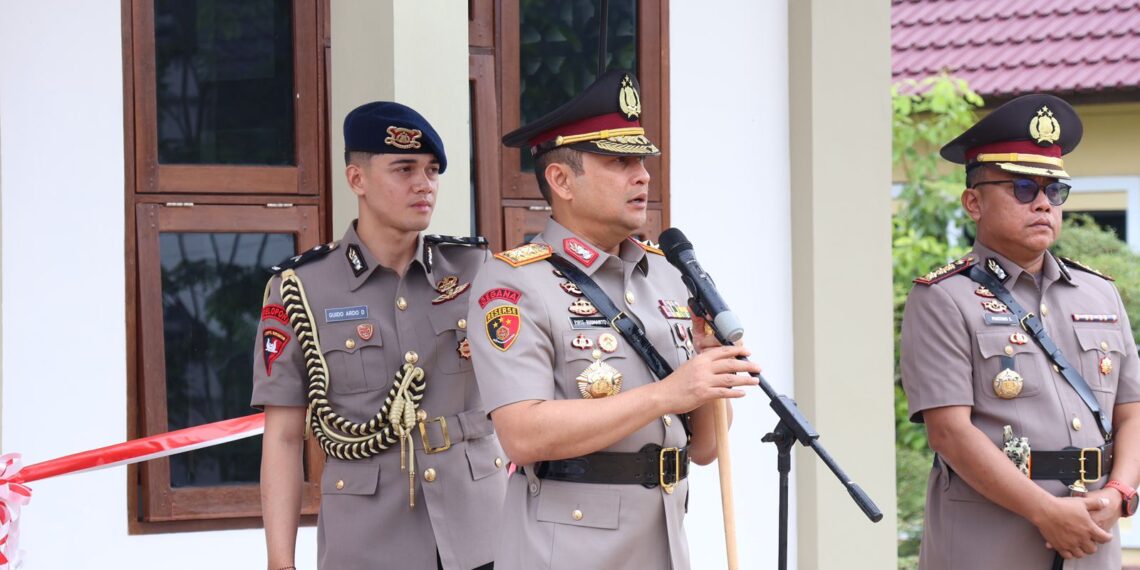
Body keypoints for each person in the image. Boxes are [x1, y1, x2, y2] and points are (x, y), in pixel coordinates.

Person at [466, 69, 760, 570]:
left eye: (642, 161)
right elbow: (522, 434)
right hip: (569, 550)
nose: (642, 176)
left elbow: (707, 449)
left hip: (663, 539)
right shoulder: (514, 284)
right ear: (560, 180)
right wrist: (669, 393)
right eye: (620, 162)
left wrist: (709, 367)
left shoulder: (667, 274)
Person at [251, 101, 507, 570]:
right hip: (367, 543)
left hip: (481, 534)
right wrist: (279, 562)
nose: (423, 184)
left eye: (431, 171)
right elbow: (285, 438)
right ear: (357, 180)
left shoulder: (478, 271)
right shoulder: (300, 289)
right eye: (404, 169)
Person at [901, 93, 1140, 569]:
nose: (1043, 205)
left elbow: (1131, 413)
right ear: (974, 201)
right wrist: (1046, 512)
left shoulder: (1099, 294)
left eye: (1055, 191)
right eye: (1023, 189)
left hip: (1092, 531)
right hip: (989, 536)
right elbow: (949, 433)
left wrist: (1119, 494)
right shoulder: (943, 298)